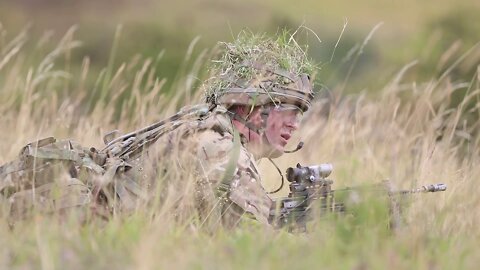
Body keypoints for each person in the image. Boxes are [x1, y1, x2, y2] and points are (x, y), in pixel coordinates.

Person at [0, 31, 315, 229]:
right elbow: (253, 245)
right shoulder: (221, 152)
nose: (294, 123)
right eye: (287, 109)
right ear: (250, 107)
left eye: (299, 113)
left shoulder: (200, 124)